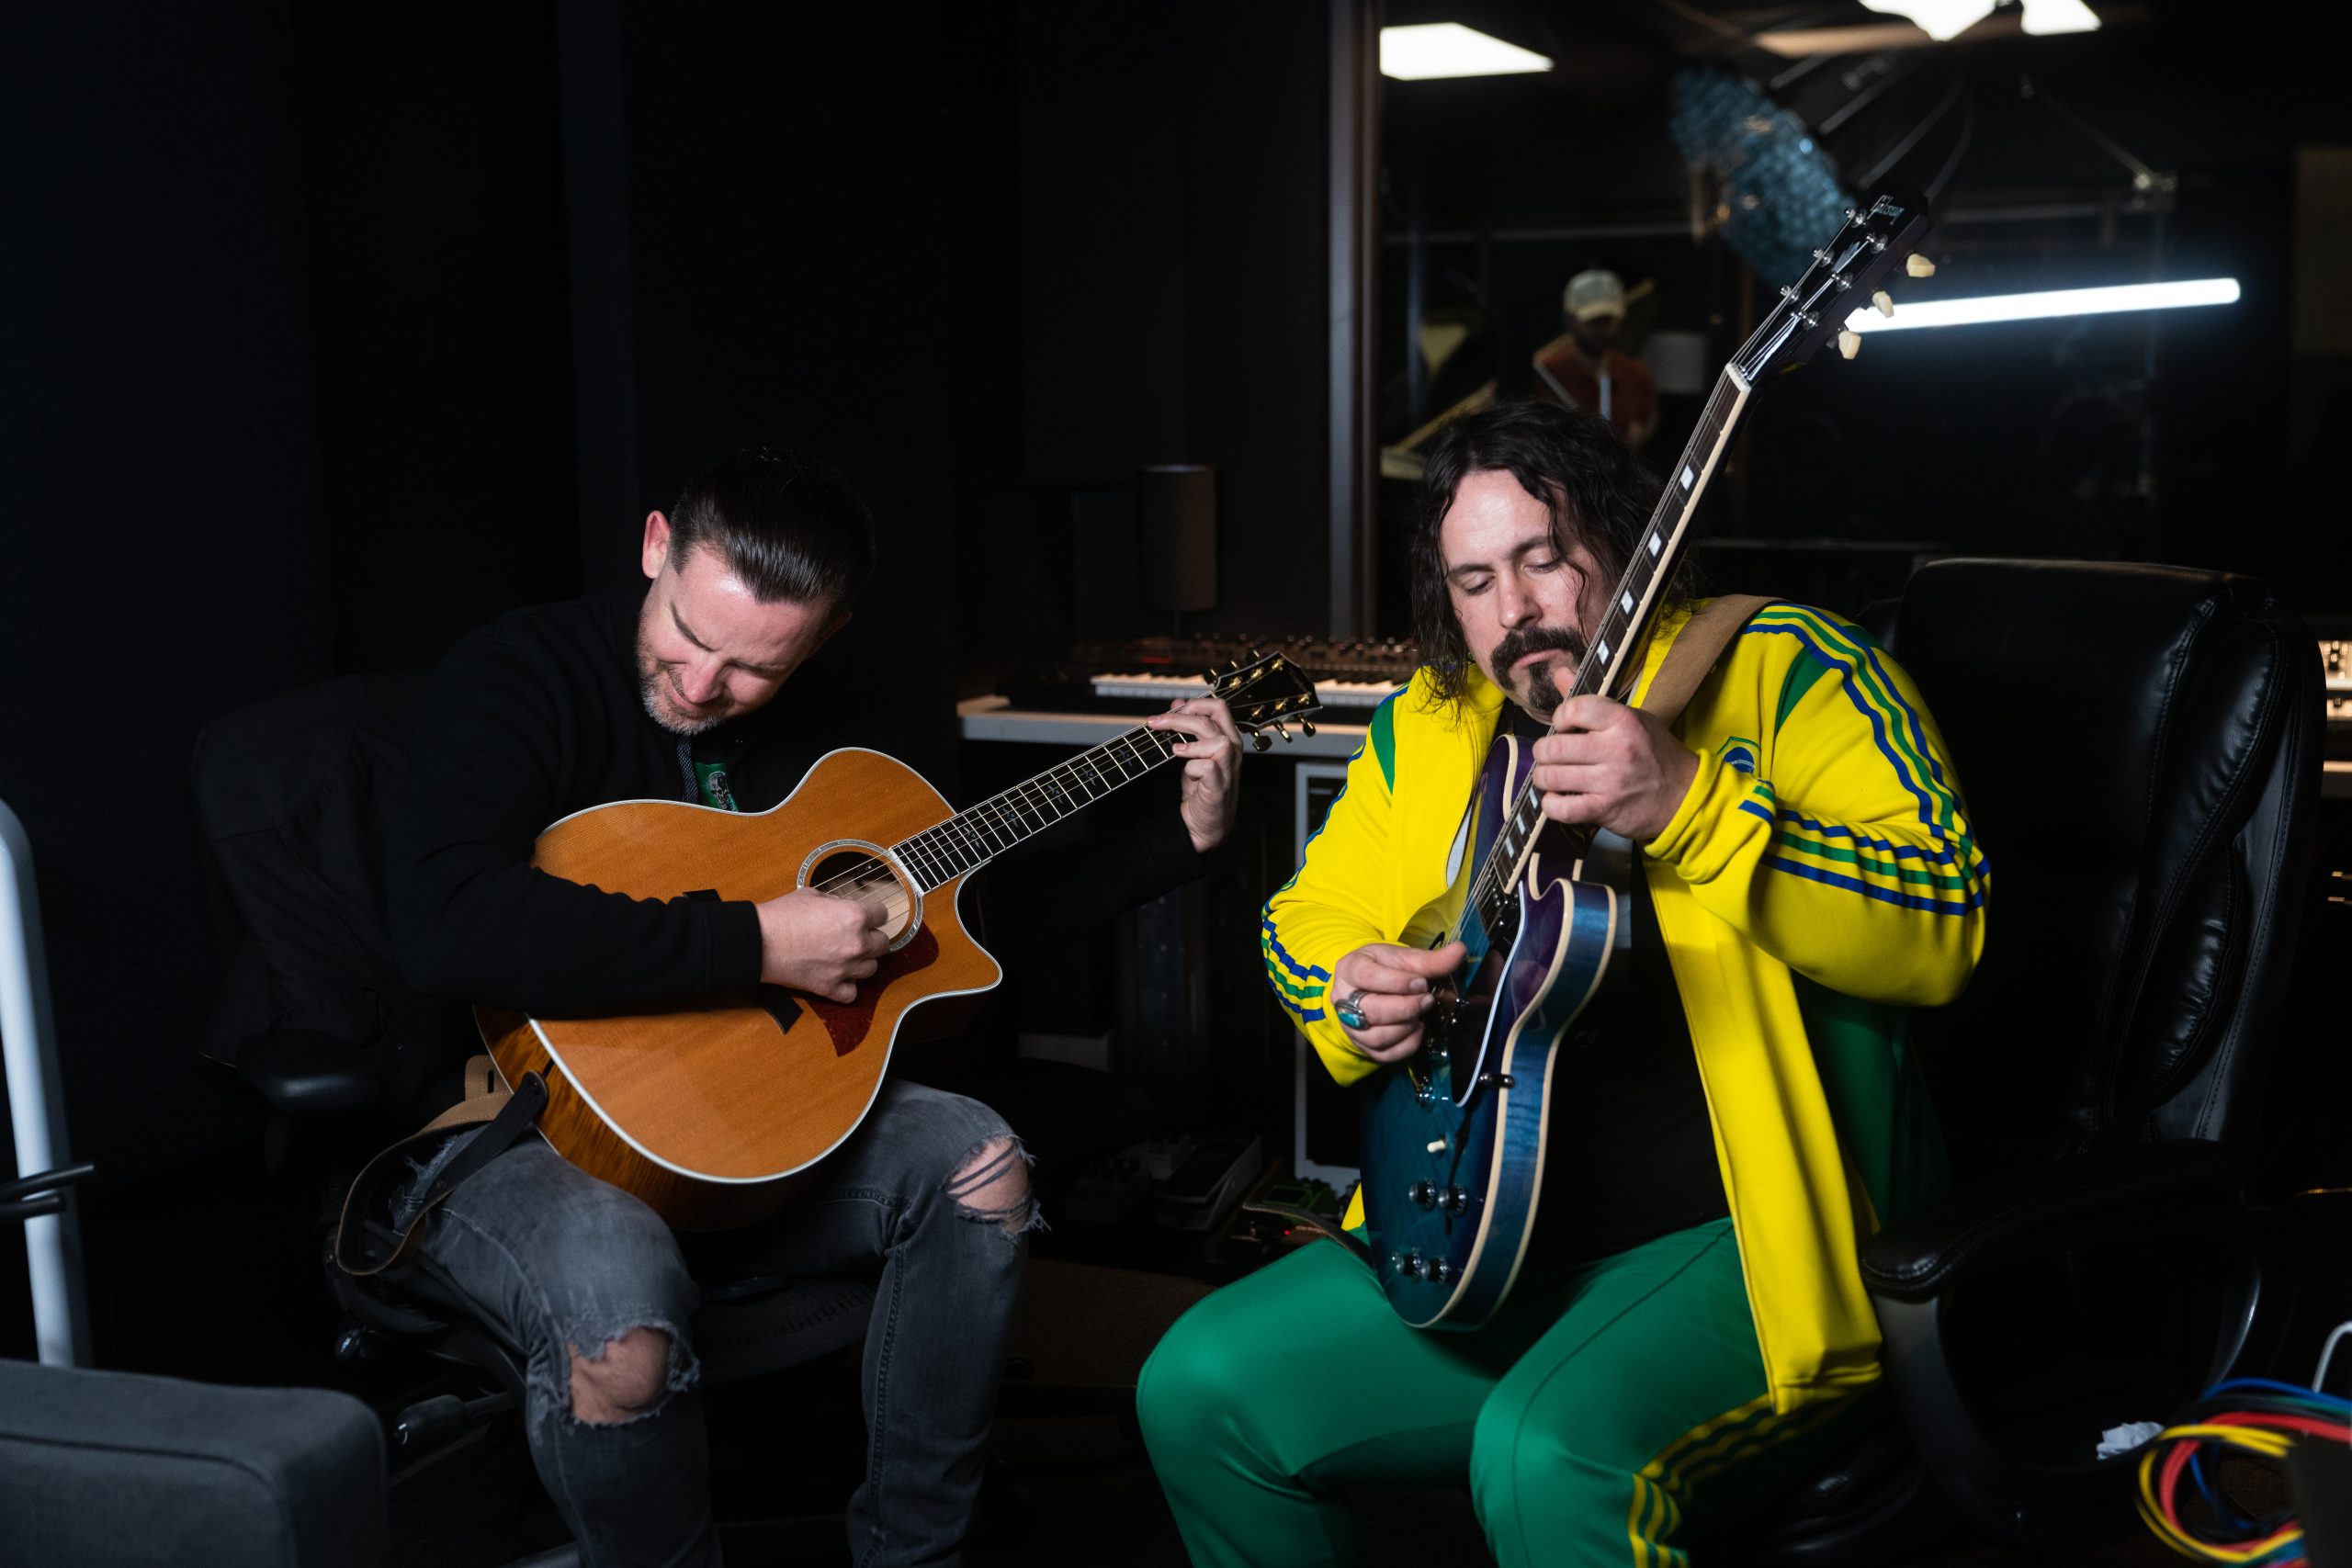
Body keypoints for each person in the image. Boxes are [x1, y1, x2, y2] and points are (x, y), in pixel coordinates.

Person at [1137, 399, 1988, 1565]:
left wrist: (1689, 804)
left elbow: (1943, 924)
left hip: (1745, 1250)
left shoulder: (1792, 667)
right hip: (1484, 1243)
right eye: (1474, 580)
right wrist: (1350, 984)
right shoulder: (1430, 722)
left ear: (1622, 541)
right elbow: (1308, 912)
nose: (1516, 610)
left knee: (1548, 1457)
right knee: (1198, 1386)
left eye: (1544, 559)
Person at [385, 444, 1245, 1568]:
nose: (702, 686)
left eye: (753, 668)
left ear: (825, 634)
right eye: (688, 634)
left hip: (761, 1129)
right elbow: (447, 920)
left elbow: (969, 922)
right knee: (623, 1328)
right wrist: (758, 943)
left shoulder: (841, 729)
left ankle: (914, 1552)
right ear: (655, 547)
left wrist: (1178, 838)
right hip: (521, 1125)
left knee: (981, 1167)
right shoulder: (520, 674)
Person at [1532, 267, 1659, 451]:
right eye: (1592, 320)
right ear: (1569, 320)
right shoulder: (1546, 372)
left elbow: (1648, 420)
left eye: (1608, 320)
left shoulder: (1636, 373)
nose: (1601, 329)